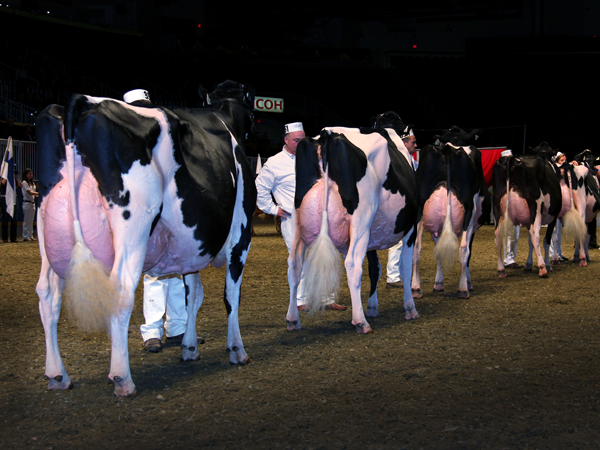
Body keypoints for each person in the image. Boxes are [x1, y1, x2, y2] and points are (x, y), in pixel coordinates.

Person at [122, 88, 189, 353]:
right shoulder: (127, 142)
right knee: (153, 276)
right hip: (145, 212)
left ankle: (177, 329)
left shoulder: (160, 139)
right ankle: (152, 332)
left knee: (176, 272)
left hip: (170, 209)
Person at [255, 121, 346, 311]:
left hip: (320, 215)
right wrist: (273, 209)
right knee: (298, 257)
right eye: (296, 140)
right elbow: (260, 188)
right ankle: (300, 299)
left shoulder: (315, 157)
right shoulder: (275, 162)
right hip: (292, 217)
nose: (300, 144)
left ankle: (327, 297)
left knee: (326, 252)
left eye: (303, 140)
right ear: (286, 140)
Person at [386, 125, 418, 287]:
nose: (415, 145)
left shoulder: (411, 160)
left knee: (403, 240)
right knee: (397, 240)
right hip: (396, 206)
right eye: (413, 142)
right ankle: (392, 276)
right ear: (404, 143)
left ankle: (395, 275)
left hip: (407, 206)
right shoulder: (397, 161)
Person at [1, 169, 21, 243]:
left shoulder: (13, 179)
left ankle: (13, 237)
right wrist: (7, 175)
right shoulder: (4, 178)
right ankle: (5, 237)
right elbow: (2, 183)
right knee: (5, 219)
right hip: (5, 199)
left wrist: (16, 177)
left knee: (14, 219)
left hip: (13, 199)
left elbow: (20, 185)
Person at [21, 168, 38, 241]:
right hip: (27, 202)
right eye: (29, 174)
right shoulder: (24, 182)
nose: (31, 175)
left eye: (32, 174)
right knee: (26, 220)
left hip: (32, 202)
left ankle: (30, 235)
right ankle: (25, 235)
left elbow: (34, 192)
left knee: (31, 219)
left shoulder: (32, 183)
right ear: (26, 175)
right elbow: (29, 192)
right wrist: (38, 193)